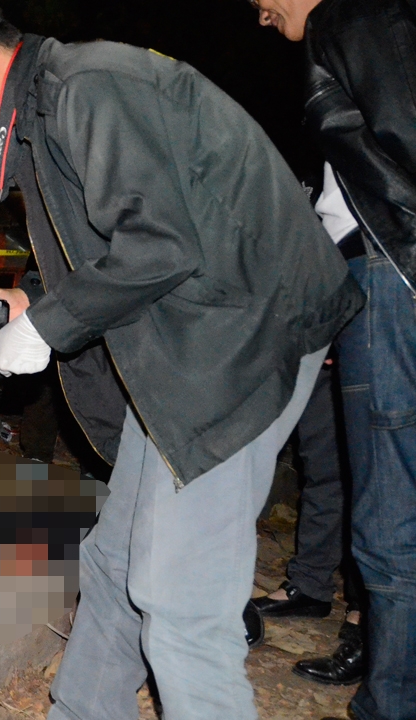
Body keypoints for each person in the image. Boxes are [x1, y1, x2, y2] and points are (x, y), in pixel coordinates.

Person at [0, 2, 364, 718]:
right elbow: (110, 250)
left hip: (241, 336)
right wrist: (31, 301)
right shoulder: (44, 109)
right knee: (115, 559)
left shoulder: (87, 87)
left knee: (179, 602)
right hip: (185, 333)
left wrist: (50, 326)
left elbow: (161, 245)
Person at [251, 0, 416, 716]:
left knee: (389, 512)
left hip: (390, 274)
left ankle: (389, 699)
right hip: (374, 272)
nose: (259, 15)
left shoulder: (353, 20)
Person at [251, 168, 366, 688]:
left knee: (375, 479)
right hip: (321, 305)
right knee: (325, 464)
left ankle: (367, 619)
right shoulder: (313, 149)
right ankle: (312, 585)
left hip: (373, 297)